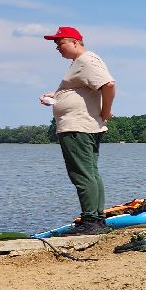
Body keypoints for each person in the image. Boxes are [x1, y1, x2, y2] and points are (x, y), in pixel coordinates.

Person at [39, 26, 114, 235]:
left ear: (75, 42)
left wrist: (106, 111)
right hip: (84, 125)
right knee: (90, 173)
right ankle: (97, 220)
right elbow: (82, 90)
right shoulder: (83, 62)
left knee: (82, 174)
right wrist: (58, 96)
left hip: (77, 127)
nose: (57, 48)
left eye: (60, 43)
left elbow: (108, 85)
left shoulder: (86, 60)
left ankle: (91, 221)